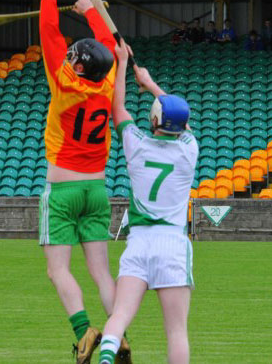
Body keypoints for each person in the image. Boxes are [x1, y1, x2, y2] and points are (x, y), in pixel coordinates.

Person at [39, 0, 131, 364]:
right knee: (101, 273)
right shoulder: (108, 80)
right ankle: (118, 336)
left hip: (61, 190)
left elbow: (49, 33)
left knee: (58, 270)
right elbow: (110, 46)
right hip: (97, 188)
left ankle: (84, 333)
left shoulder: (63, 81)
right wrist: (90, 10)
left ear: (76, 66)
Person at [98, 41, 198, 364]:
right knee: (176, 331)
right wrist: (153, 85)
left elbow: (118, 109)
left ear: (154, 121)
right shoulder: (188, 150)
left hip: (138, 243)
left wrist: (124, 64)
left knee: (119, 317)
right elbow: (180, 120)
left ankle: (104, 359)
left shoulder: (136, 144)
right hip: (172, 242)